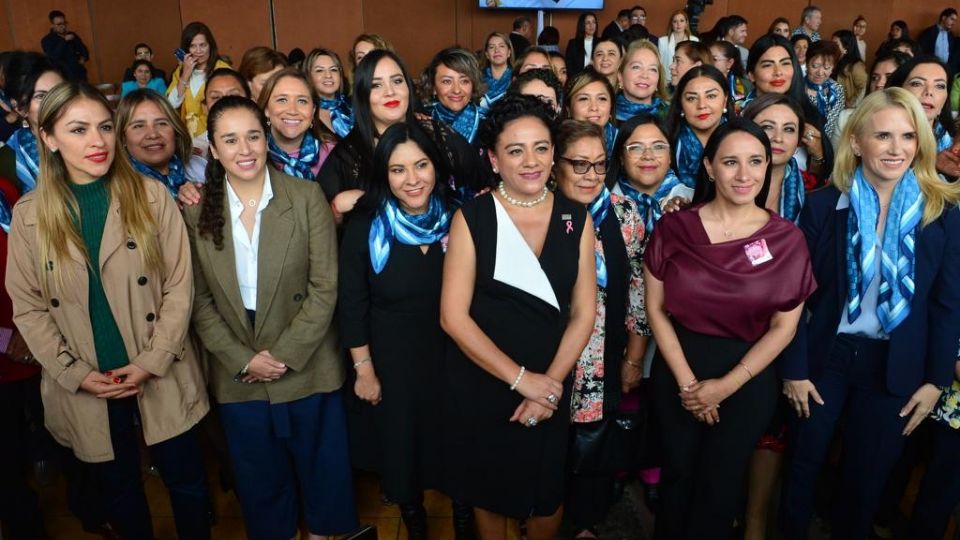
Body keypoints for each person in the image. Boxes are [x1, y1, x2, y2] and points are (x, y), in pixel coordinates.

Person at [7, 81, 212, 540]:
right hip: (89, 381)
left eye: (104, 127)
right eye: (78, 130)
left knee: (188, 485)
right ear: (48, 137)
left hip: (158, 367)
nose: (97, 142)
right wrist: (73, 372)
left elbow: (180, 286)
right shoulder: (30, 216)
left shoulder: (151, 196)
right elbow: (29, 309)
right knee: (120, 492)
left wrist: (151, 361)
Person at [780, 87, 960, 540]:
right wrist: (794, 369)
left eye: (907, 136)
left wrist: (935, 381)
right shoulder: (823, 205)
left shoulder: (943, 212)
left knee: (866, 479)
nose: (896, 148)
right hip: (827, 356)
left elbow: (946, 304)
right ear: (857, 141)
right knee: (803, 465)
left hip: (896, 363)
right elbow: (795, 296)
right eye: (883, 135)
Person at [185, 95, 357, 540]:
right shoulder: (195, 212)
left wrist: (281, 355)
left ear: (266, 139)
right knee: (262, 491)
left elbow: (325, 287)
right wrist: (243, 358)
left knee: (324, 484)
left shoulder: (305, 197)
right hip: (238, 373)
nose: (244, 149)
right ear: (214, 150)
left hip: (307, 365)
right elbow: (199, 301)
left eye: (253, 136)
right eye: (230, 139)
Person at [645, 118, 815, 540]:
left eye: (756, 161)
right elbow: (656, 309)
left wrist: (725, 386)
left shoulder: (787, 239)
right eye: (731, 162)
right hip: (678, 366)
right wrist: (689, 385)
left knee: (721, 485)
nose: (745, 175)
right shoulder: (674, 227)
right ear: (709, 167)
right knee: (677, 476)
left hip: (747, 376)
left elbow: (784, 328)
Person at [441, 93, 596, 540]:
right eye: (515, 150)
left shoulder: (576, 217)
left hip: (552, 381)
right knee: (491, 494)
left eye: (541, 148)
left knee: (547, 497)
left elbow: (584, 312)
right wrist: (520, 380)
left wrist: (547, 387)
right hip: (487, 382)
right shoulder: (472, 218)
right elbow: (453, 317)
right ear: (493, 158)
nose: (531, 162)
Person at [338, 121, 471, 539]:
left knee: (459, 450)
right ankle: (415, 523)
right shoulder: (366, 224)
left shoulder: (460, 217)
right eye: (398, 170)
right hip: (393, 364)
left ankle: (466, 522)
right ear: (383, 173)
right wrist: (364, 369)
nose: (413, 180)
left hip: (455, 359)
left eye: (421, 165)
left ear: (437, 167)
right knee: (402, 452)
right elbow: (352, 300)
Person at [552, 119, 648, 538]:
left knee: (593, 443)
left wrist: (634, 357)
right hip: (545, 355)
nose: (591, 176)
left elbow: (639, 291)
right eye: (579, 165)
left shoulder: (624, 215)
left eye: (599, 165)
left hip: (604, 357)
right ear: (555, 165)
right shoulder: (539, 213)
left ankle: (585, 524)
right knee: (545, 443)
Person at [738, 94, 811, 540]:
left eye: (789, 129)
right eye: (768, 127)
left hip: (790, 327)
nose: (778, 138)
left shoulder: (820, 192)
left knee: (773, 431)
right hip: (731, 328)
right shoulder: (725, 184)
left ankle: (755, 524)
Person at [317, 50, 489, 223]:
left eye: (397, 81)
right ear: (363, 95)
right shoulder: (348, 155)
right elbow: (320, 221)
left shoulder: (436, 134)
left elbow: (483, 184)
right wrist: (337, 209)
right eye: (376, 85)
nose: (390, 92)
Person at [740, 35, 832, 182]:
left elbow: (815, 181)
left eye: (785, 63)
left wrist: (817, 154)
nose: (778, 72)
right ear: (751, 75)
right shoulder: (737, 115)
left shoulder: (808, 112)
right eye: (767, 64)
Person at [607, 114, 692, 232]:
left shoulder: (692, 201)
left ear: (670, 156)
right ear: (621, 157)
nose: (648, 156)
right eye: (636, 147)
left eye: (658, 147)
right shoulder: (603, 206)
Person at [115, 88, 203, 199]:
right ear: (123, 138)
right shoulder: (119, 190)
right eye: (139, 126)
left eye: (161, 123)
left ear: (175, 130)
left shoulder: (199, 171)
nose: (153, 134)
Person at [887, 55, 960, 178]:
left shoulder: (953, 151)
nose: (929, 91)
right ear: (897, 91)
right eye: (917, 83)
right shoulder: (871, 137)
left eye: (940, 86)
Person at [0, 53, 64, 194]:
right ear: (19, 108)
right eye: (41, 96)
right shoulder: (13, 157)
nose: (56, 102)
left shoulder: (90, 136)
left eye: (59, 92)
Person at [258, 67, 336, 181]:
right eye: (282, 100)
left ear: (313, 110)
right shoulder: (253, 155)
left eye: (302, 101)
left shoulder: (334, 154)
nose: (292, 110)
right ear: (266, 109)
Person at [666, 66, 735, 189]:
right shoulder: (665, 143)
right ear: (681, 104)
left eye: (711, 96)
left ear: (725, 100)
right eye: (691, 98)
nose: (702, 105)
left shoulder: (743, 140)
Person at [166, 21, 231, 138]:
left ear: (210, 46)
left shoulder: (222, 70)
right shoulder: (181, 71)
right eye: (193, 46)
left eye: (203, 45)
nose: (198, 51)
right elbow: (171, 104)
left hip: (215, 133)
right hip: (187, 136)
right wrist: (185, 74)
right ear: (186, 49)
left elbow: (229, 108)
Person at [421, 47, 486, 143]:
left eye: (464, 81)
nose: (456, 90)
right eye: (447, 81)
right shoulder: (421, 122)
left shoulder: (489, 124)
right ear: (433, 87)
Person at [566, 67, 617, 158]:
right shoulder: (557, 146)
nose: (594, 107)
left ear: (611, 107)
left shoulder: (624, 142)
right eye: (584, 99)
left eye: (602, 99)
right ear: (568, 109)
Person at [303, 47, 353, 139]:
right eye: (320, 70)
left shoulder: (353, 107)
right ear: (308, 76)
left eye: (333, 69)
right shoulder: (303, 112)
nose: (328, 75)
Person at [615, 40, 669, 123]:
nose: (644, 75)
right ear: (620, 77)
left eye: (652, 69)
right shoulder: (604, 114)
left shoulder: (670, 117)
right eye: (636, 67)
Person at [803, 40, 844, 141]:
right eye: (815, 66)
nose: (820, 72)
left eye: (827, 67)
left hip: (829, 145)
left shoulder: (837, 89)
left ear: (833, 68)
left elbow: (833, 126)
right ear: (807, 64)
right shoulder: (797, 88)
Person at [40, 10, 88, 81]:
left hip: (80, 75)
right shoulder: (46, 40)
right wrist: (64, 41)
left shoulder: (72, 35)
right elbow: (53, 57)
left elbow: (84, 49)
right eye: (59, 24)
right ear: (52, 25)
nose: (63, 26)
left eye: (64, 23)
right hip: (63, 77)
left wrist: (84, 57)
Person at [659, 10, 699, 83]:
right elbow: (660, 63)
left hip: (687, 79)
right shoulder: (662, 41)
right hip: (667, 81)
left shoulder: (694, 40)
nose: (678, 24)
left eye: (681, 21)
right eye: (675, 21)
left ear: (686, 23)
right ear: (671, 24)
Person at [710, 40, 753, 108]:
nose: (709, 62)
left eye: (714, 59)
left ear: (729, 63)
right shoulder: (702, 82)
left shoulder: (745, 85)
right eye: (708, 58)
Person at [833, 30, 868, 108]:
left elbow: (864, 88)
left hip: (848, 110)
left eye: (835, 44)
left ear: (846, 47)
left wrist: (849, 105)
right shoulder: (834, 62)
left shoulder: (856, 66)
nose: (832, 46)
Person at [480, 32, 514, 107]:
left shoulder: (517, 79)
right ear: (487, 54)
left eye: (501, 46)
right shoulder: (477, 79)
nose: (497, 50)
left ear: (509, 52)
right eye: (492, 47)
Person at [565, 13, 599, 78]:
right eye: (588, 23)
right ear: (582, 25)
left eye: (594, 22)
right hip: (578, 80)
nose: (591, 25)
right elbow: (569, 66)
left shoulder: (601, 43)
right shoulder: (573, 44)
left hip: (597, 80)